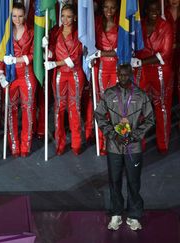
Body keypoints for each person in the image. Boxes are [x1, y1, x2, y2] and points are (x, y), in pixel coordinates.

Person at [95, 64, 154, 231]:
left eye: (126, 75)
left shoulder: (141, 95)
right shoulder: (109, 94)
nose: (123, 78)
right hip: (114, 145)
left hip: (133, 147)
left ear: (131, 74)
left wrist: (134, 136)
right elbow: (99, 115)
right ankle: (116, 214)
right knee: (114, 181)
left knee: (134, 181)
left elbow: (150, 119)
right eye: (120, 75)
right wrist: (113, 134)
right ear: (116, 75)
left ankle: (134, 216)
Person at [133, 0, 174, 154]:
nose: (154, 13)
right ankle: (139, 142)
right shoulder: (139, 25)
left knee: (161, 107)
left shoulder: (166, 27)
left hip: (159, 72)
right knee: (139, 107)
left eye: (156, 10)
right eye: (151, 10)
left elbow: (165, 53)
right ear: (146, 11)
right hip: (141, 72)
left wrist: (141, 61)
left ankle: (163, 143)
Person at [44, 3, 85, 155]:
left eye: (69, 17)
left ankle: (76, 143)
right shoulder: (55, 32)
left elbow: (72, 59)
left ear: (74, 17)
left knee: (75, 108)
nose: (65, 20)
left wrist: (54, 63)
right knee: (58, 108)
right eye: (63, 16)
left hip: (74, 74)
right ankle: (59, 143)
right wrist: (46, 50)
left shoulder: (79, 34)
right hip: (60, 75)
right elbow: (51, 54)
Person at [0, 2, 36, 158]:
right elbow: (0, 53)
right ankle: (13, 144)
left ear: (25, 15)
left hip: (27, 76)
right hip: (11, 77)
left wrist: (18, 59)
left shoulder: (32, 32)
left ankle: (25, 144)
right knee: (10, 111)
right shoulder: (6, 31)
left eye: (20, 16)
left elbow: (35, 54)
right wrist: (1, 74)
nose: (17, 19)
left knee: (28, 111)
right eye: (14, 15)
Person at [87, 0, 119, 155]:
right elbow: (91, 46)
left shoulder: (121, 25)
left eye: (112, 7)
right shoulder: (97, 24)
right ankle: (102, 141)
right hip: (100, 69)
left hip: (116, 70)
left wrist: (100, 53)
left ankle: (116, 141)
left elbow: (122, 50)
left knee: (117, 108)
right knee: (102, 106)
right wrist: (92, 56)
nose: (109, 10)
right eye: (106, 7)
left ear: (117, 8)